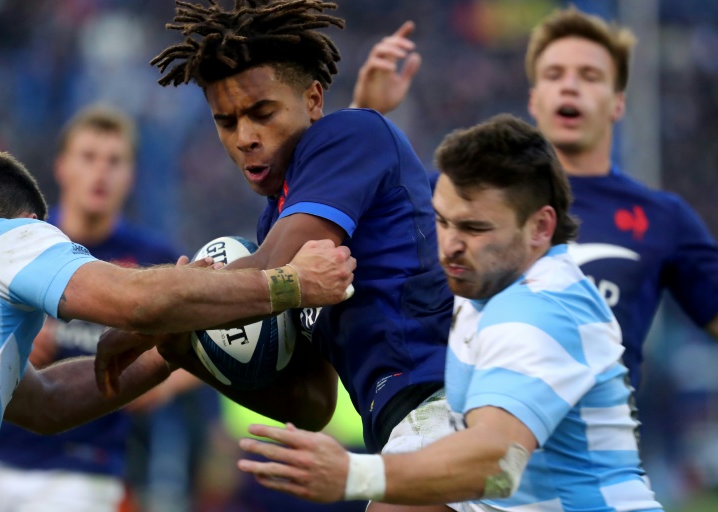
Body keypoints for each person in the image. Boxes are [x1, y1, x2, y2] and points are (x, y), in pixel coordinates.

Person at [237, 114, 664, 511]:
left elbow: (495, 464)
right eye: (443, 222)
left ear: (539, 228)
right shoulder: (485, 299)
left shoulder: (539, 309)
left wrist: (353, 472)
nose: (451, 244)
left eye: (475, 228)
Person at [128, 4, 454, 510]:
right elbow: (312, 403)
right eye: (226, 121)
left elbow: (266, 269)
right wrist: (185, 351)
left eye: (262, 113)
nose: (245, 138)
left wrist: (136, 318)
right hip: (399, 426)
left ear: (314, 99)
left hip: (446, 404)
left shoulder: (351, 133)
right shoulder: (273, 224)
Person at [0, 146, 355, 495]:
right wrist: (291, 283)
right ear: (28, 223)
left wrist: (169, 347)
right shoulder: (11, 237)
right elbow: (135, 302)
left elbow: (48, 401)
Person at [349, 8, 718, 390]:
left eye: (589, 76)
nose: (569, 87)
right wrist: (366, 116)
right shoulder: (456, 193)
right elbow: (363, 211)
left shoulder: (662, 217)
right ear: (534, 99)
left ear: (618, 102)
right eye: (554, 75)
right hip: (475, 430)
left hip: (597, 442)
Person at [0, 106, 196, 512]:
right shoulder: (18, 241)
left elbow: (208, 334)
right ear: (61, 167)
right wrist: (10, 330)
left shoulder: (153, 261)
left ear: (131, 175)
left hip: (87, 468)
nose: (101, 173)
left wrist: (162, 375)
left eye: (115, 161)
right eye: (88, 157)